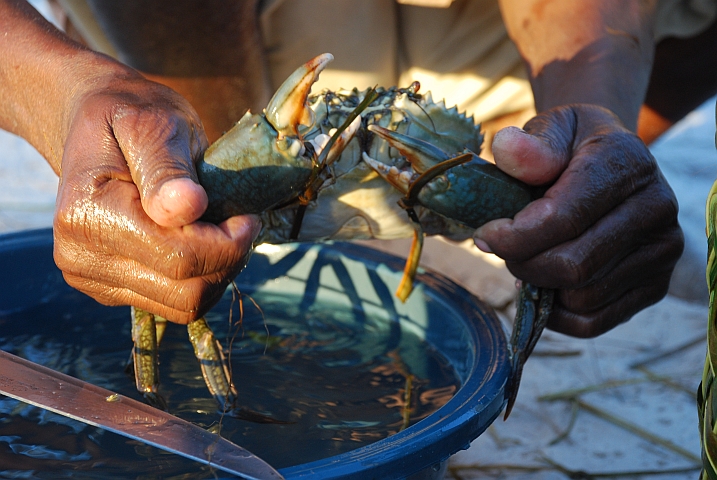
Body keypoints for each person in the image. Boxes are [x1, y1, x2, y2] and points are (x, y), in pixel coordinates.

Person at [0, 0, 699, 337]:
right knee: (186, 215)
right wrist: (66, 94)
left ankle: (571, 203)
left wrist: (589, 117)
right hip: (179, 65)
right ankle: (197, 196)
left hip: (478, 99)